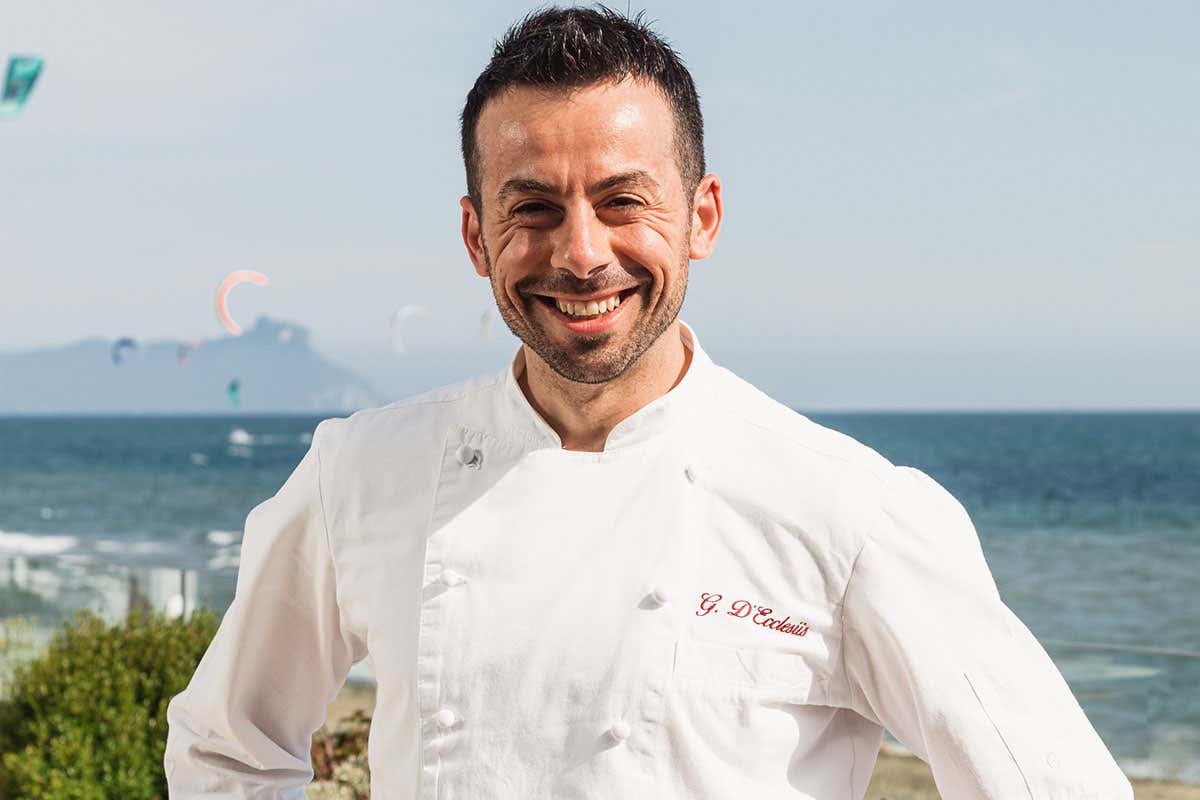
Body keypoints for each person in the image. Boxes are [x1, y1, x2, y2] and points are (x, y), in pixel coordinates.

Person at [164, 6, 1133, 798]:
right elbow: (226, 750)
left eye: (623, 200)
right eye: (533, 208)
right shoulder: (359, 474)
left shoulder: (850, 511)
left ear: (701, 216)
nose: (582, 253)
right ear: (475, 237)